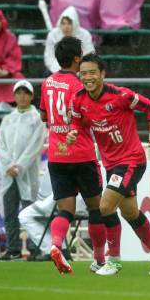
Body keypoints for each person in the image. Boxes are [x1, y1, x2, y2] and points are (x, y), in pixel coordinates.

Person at [67, 53, 150, 275]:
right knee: (130, 212)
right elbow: (77, 120)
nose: (88, 77)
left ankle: (113, 260)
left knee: (105, 206)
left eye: (92, 73)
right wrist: (73, 133)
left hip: (132, 160)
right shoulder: (79, 99)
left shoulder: (120, 95)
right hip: (111, 164)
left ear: (102, 74)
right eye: (83, 73)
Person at [39, 38, 108, 274]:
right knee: (95, 210)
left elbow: (44, 117)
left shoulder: (47, 83)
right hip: (81, 154)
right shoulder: (79, 86)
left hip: (57, 156)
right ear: (77, 59)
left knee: (65, 211)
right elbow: (88, 116)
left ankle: (56, 245)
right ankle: (99, 260)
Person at [0, 80, 46, 261]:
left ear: (31, 96)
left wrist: (20, 166)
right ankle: (13, 249)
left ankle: (35, 248)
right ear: (14, 95)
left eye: (26, 93)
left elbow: (35, 146)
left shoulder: (37, 119)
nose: (22, 96)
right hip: (9, 175)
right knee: (10, 212)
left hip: (27, 174)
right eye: (19, 93)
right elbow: (1, 145)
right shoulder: (8, 119)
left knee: (30, 211)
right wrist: (9, 166)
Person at [43, 6, 95, 74]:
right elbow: (49, 57)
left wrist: (77, 71)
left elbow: (88, 55)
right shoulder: (53, 35)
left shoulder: (85, 35)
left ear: (75, 23)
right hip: (56, 70)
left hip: (80, 71)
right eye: (63, 23)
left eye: (69, 23)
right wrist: (60, 71)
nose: (66, 27)